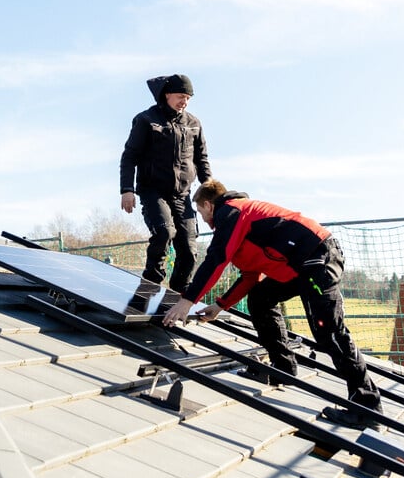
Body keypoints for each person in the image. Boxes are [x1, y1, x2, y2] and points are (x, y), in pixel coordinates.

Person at [162, 179, 383, 429]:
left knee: (329, 332)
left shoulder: (231, 211)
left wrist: (187, 300)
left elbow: (217, 258)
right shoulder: (240, 221)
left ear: (207, 205)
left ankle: (367, 406)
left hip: (317, 259)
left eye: (201, 212)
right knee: (261, 298)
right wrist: (221, 305)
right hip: (301, 267)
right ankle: (283, 367)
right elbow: (251, 276)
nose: (202, 218)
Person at [119, 74, 211, 293]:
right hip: (153, 191)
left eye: (188, 98)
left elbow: (202, 158)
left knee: (189, 248)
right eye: (181, 96)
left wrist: (209, 189)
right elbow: (129, 156)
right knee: (164, 233)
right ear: (167, 95)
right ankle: (150, 284)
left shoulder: (193, 124)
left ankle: (179, 294)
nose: (184, 102)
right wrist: (127, 190)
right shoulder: (146, 120)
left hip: (182, 194)